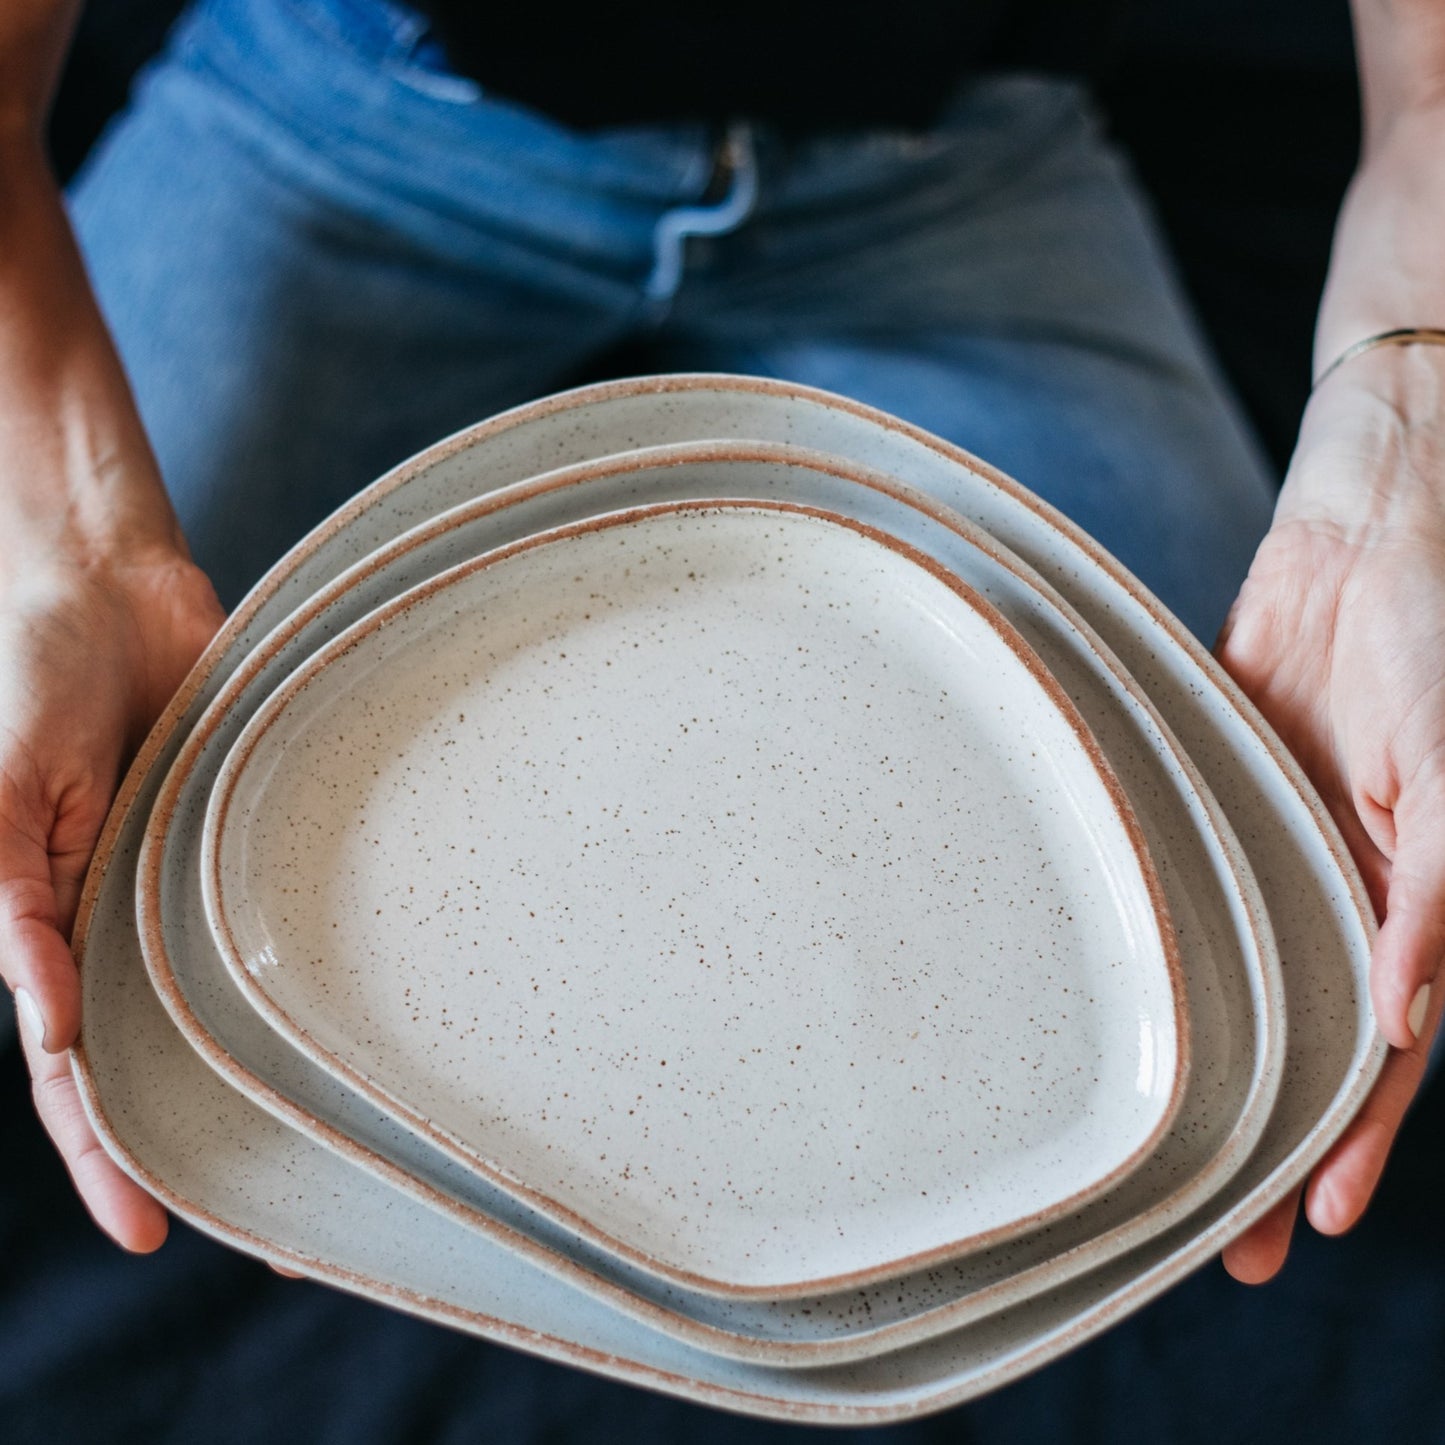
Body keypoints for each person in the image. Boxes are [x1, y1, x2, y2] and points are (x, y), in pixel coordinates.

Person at [1, 0, 1443, 1434]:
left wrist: (1402, 451)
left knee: (1277, 885)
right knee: (94, 857)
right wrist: (73, 541)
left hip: (956, 160)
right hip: (343, 108)